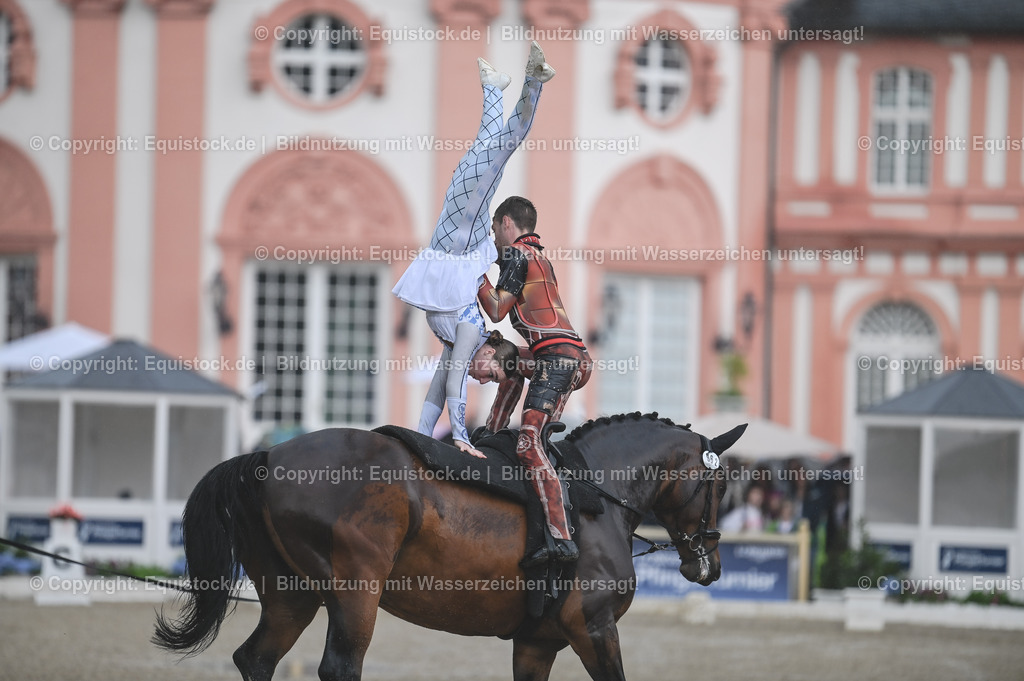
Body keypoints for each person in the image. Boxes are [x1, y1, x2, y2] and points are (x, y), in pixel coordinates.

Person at [393, 43, 555, 457]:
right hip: (462, 230)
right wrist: (461, 438)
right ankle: (534, 82)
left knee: (488, 147)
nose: (483, 379)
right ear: (489, 350)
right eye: (492, 372)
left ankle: (494, 89)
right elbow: (454, 386)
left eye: (488, 379)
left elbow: (435, 394)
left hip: (458, 222)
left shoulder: (455, 342)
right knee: (506, 145)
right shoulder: (469, 328)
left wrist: (421, 441)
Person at [476, 196, 593, 565]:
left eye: (495, 229)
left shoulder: (516, 255)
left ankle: (561, 538)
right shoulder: (538, 255)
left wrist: (474, 275)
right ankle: (492, 432)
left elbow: (496, 309)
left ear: (506, 223)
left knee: (528, 443)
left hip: (560, 358)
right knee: (509, 359)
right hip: (559, 354)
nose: (494, 237)